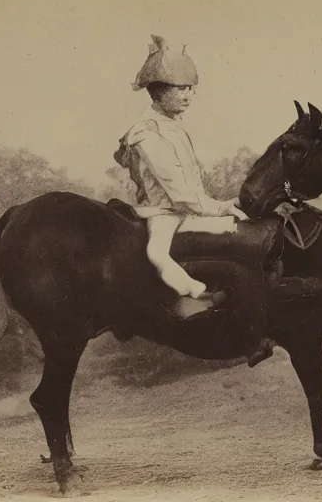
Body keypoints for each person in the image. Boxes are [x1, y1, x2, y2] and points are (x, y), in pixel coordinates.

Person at [113, 34, 273, 365]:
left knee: (245, 230)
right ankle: (200, 299)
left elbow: (192, 190)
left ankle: (257, 318)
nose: (189, 95)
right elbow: (181, 194)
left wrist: (225, 208)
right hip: (163, 213)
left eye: (191, 88)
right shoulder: (147, 133)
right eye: (180, 88)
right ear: (157, 92)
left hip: (188, 212)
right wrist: (220, 207)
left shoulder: (171, 125)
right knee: (159, 252)